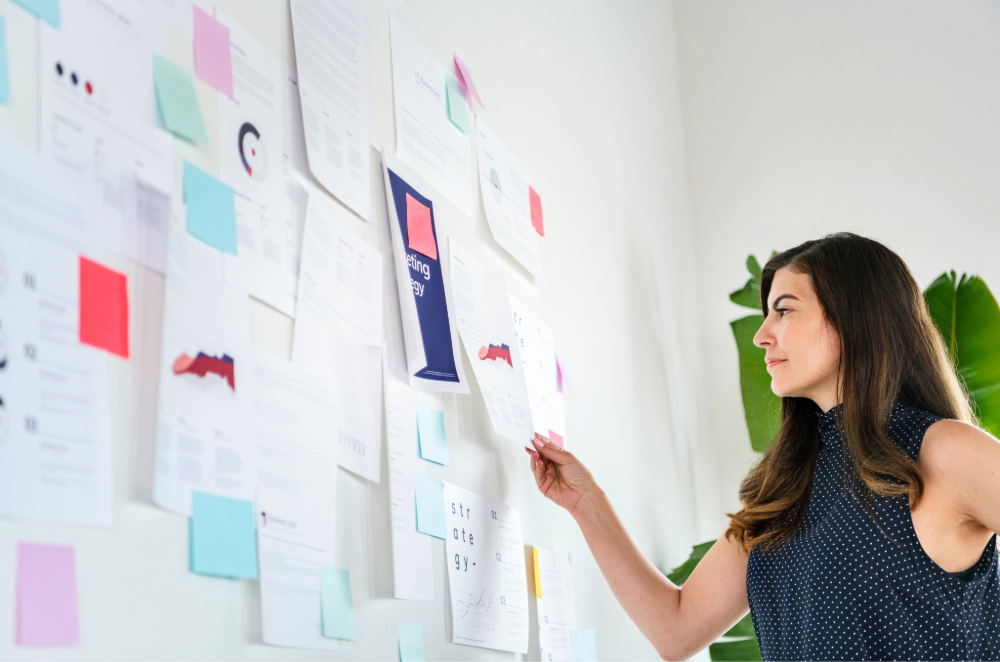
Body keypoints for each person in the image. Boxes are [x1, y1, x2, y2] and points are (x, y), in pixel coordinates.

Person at [527, 232, 1000, 661]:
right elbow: (675, 628)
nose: (761, 334)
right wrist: (586, 503)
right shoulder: (788, 490)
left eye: (785, 310)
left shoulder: (940, 451)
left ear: (854, 317)